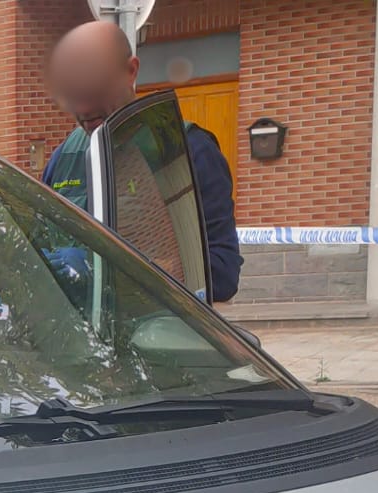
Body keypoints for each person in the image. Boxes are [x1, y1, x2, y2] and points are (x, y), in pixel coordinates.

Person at [42, 19, 242, 303]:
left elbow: (222, 275)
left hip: (155, 336)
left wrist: (104, 266)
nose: (84, 108)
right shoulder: (64, 157)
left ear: (131, 71)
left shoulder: (189, 151)